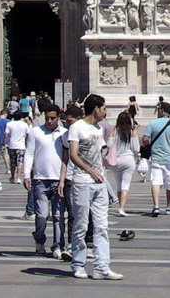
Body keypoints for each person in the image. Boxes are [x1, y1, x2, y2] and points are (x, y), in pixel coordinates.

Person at [65, 93, 122, 281]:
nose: (106, 112)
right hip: (82, 181)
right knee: (81, 225)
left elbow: (101, 155)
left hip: (100, 182)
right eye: (104, 108)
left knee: (102, 226)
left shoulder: (99, 128)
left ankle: (102, 267)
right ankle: (78, 264)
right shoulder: (77, 127)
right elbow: (73, 154)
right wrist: (89, 170)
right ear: (96, 109)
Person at [24, 102, 68, 260]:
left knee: (58, 216)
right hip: (40, 179)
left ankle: (58, 246)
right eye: (47, 118)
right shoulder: (35, 131)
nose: (49, 121)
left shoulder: (64, 133)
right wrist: (26, 174)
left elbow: (67, 157)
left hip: (58, 180)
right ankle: (39, 239)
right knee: (41, 215)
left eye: (53, 118)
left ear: (58, 118)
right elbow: (29, 153)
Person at [143, 101, 170, 216]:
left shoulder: (152, 123)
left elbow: (145, 139)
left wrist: (149, 145)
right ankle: (169, 207)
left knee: (156, 182)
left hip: (156, 158)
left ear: (162, 110)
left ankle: (156, 206)